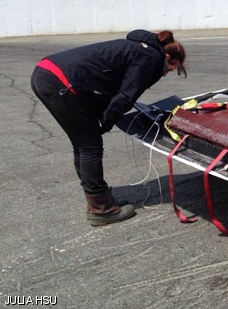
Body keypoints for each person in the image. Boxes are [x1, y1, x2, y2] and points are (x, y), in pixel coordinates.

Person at [31, 29, 187, 226]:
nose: (165, 74)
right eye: (170, 68)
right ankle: (102, 209)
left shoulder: (137, 48)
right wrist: (106, 122)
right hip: (61, 82)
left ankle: (97, 198)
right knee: (90, 145)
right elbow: (126, 96)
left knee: (82, 143)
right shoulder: (152, 57)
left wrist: (103, 117)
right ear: (167, 56)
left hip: (46, 74)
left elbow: (106, 84)